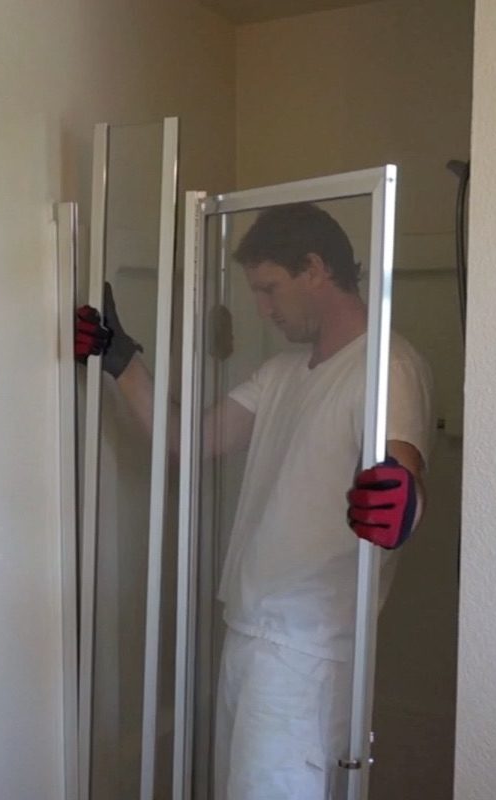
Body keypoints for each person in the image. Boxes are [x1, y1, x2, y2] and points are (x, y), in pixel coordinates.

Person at [76, 202, 433, 800]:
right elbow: (186, 443)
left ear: (315, 268)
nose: (264, 309)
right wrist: (120, 358)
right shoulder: (285, 370)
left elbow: (404, 479)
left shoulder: (387, 367)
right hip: (249, 630)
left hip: (307, 648)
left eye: (269, 289)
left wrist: (405, 503)